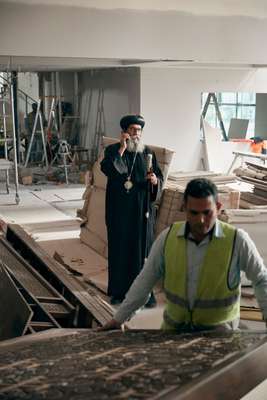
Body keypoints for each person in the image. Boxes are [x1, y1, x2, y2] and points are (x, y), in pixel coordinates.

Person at [101, 178, 267, 332]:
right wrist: (119, 319)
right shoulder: (168, 238)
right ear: (184, 208)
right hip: (174, 334)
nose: (201, 220)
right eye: (194, 213)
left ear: (218, 207)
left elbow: (261, 279)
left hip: (221, 338)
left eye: (207, 212)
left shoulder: (237, 241)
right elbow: (145, 281)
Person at [100, 114, 163, 306]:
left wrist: (155, 182)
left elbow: (158, 178)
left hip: (141, 211)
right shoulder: (113, 150)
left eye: (139, 130)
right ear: (125, 132)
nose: (136, 134)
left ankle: (145, 294)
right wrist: (122, 148)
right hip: (120, 212)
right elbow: (109, 169)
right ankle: (119, 292)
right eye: (132, 130)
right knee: (121, 251)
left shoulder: (148, 153)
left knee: (142, 253)